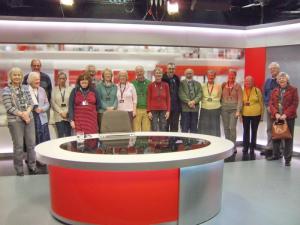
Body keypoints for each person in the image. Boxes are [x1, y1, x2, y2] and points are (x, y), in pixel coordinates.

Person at [2, 67, 37, 176]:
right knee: (19, 146)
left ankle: (32, 166)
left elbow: (31, 103)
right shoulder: (6, 90)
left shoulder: (26, 88)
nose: (17, 77)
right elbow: (9, 107)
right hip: (15, 121)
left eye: (19, 75)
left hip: (29, 119)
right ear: (11, 77)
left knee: (31, 144)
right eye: (14, 75)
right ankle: (19, 168)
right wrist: (22, 114)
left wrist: (27, 113)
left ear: (22, 77)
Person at [267, 72, 299, 166]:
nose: (281, 80)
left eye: (283, 78)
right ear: (278, 81)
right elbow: (271, 103)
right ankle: (276, 155)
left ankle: (287, 159)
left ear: (287, 80)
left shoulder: (293, 90)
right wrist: (275, 113)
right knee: (276, 136)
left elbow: (295, 104)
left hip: (288, 118)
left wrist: (285, 114)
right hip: (277, 117)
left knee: (288, 138)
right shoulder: (275, 90)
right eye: (280, 78)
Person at [241, 76, 264, 160]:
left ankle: (252, 147)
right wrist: (240, 114)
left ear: (253, 82)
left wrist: (262, 115)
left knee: (254, 131)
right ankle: (245, 147)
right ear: (244, 82)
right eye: (246, 81)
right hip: (245, 114)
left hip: (256, 114)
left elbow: (261, 103)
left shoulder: (257, 91)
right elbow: (241, 103)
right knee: (245, 131)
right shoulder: (242, 91)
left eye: (249, 81)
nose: (248, 83)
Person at [221, 69, 243, 153]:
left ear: (235, 76)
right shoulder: (223, 85)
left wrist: (238, 111)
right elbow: (220, 97)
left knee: (232, 128)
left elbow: (240, 99)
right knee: (226, 128)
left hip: (234, 110)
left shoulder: (238, 86)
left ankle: (233, 146)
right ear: (228, 76)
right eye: (230, 75)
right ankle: (227, 145)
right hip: (224, 110)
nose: (231, 76)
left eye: (233, 75)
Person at [27, 72, 51, 145]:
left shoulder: (42, 90)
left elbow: (47, 104)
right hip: (31, 119)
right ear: (30, 80)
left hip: (42, 119)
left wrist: (42, 109)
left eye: (39, 79)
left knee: (44, 142)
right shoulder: (25, 90)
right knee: (33, 142)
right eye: (36, 80)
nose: (38, 81)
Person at [263, 62, 280, 156]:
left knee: (279, 128)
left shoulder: (281, 79)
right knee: (269, 128)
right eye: (271, 69)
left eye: (274, 69)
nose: (272, 70)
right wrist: (267, 105)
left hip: (279, 110)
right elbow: (264, 93)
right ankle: (269, 147)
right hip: (269, 108)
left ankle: (279, 149)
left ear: (278, 69)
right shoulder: (268, 81)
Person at [198, 70, 222, 136]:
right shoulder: (202, 86)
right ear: (207, 76)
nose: (211, 77)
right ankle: (205, 142)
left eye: (212, 76)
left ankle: (215, 142)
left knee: (215, 127)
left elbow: (220, 97)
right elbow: (200, 96)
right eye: (209, 75)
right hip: (205, 108)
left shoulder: (218, 86)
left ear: (215, 77)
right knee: (204, 127)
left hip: (215, 109)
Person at [179, 68, 202, 134]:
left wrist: (194, 101)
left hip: (195, 109)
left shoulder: (198, 84)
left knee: (194, 128)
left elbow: (200, 94)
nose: (189, 75)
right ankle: (185, 143)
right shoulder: (181, 83)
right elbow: (181, 93)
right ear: (185, 74)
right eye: (187, 73)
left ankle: (193, 143)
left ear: (193, 74)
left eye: (190, 73)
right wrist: (189, 102)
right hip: (185, 109)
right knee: (184, 127)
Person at [147, 67, 170, 131]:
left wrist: (168, 111)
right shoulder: (150, 85)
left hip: (164, 109)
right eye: (157, 73)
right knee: (154, 127)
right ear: (154, 74)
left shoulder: (166, 85)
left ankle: (162, 140)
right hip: (153, 110)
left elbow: (168, 98)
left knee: (163, 126)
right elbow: (148, 98)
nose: (158, 74)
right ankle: (155, 140)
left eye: (160, 73)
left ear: (162, 75)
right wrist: (148, 111)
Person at [51, 71, 73, 138]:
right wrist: (61, 112)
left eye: (63, 78)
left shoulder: (70, 89)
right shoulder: (54, 90)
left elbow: (71, 102)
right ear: (57, 79)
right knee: (60, 135)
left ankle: (68, 148)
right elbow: (53, 102)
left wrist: (66, 112)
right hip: (58, 115)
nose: (62, 80)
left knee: (68, 135)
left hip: (68, 115)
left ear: (66, 79)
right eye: (60, 78)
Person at [132, 65, 151, 131]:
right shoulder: (132, 84)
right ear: (135, 73)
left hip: (147, 110)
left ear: (144, 72)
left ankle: (145, 142)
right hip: (136, 109)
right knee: (136, 130)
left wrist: (150, 110)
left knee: (146, 130)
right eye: (137, 72)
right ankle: (137, 142)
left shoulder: (149, 83)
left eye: (141, 71)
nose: (139, 73)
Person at [162, 62, 181, 131]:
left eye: (173, 69)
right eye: (169, 68)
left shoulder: (177, 79)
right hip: (165, 107)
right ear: (166, 69)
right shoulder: (162, 79)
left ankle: (174, 140)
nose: (171, 70)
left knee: (175, 126)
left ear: (175, 70)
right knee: (165, 126)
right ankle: (165, 141)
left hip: (176, 107)